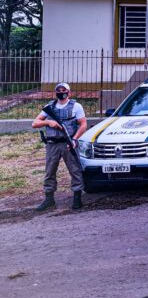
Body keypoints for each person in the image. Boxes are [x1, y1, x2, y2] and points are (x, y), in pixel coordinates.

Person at [31, 82, 87, 211]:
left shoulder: (76, 106)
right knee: (49, 171)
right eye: (59, 90)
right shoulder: (49, 106)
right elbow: (35, 123)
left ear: (69, 92)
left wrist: (75, 139)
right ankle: (49, 199)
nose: (61, 92)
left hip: (68, 143)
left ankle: (77, 197)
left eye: (64, 90)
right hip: (52, 144)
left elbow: (83, 124)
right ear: (55, 92)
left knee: (75, 170)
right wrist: (48, 122)